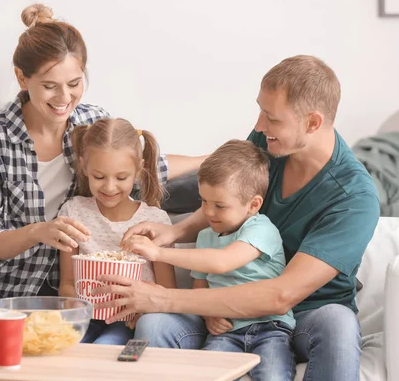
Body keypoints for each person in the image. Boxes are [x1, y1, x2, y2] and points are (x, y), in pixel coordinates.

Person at [95, 55, 380, 381]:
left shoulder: (354, 198)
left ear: (312, 123)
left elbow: (281, 295)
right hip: (225, 314)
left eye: (272, 118)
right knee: (153, 323)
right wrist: (175, 231)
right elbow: (226, 198)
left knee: (338, 323)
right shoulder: (268, 145)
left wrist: (162, 297)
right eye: (260, 111)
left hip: (301, 315)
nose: (259, 125)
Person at [0, 3, 205, 337]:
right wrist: (39, 231)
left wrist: (208, 159)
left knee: (101, 336)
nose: (64, 97)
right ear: (22, 78)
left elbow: (143, 165)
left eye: (74, 83)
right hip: (2, 292)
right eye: (50, 85)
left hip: (69, 298)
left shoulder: (91, 121)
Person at [122, 139, 295, 380]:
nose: (209, 212)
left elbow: (223, 261)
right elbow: (199, 291)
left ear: (253, 205)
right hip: (224, 333)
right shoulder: (205, 237)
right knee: (207, 373)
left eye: (220, 206)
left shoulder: (261, 229)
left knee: (273, 375)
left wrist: (159, 253)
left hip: (270, 328)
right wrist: (208, 314)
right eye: (204, 201)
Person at [58, 117, 177, 345]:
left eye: (121, 178)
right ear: (84, 166)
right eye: (99, 177)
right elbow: (67, 282)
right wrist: (72, 306)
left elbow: (167, 289)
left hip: (128, 321)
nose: (109, 187)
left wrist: (146, 309)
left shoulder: (154, 221)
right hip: (85, 318)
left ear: (139, 169)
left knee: (104, 348)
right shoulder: (74, 212)